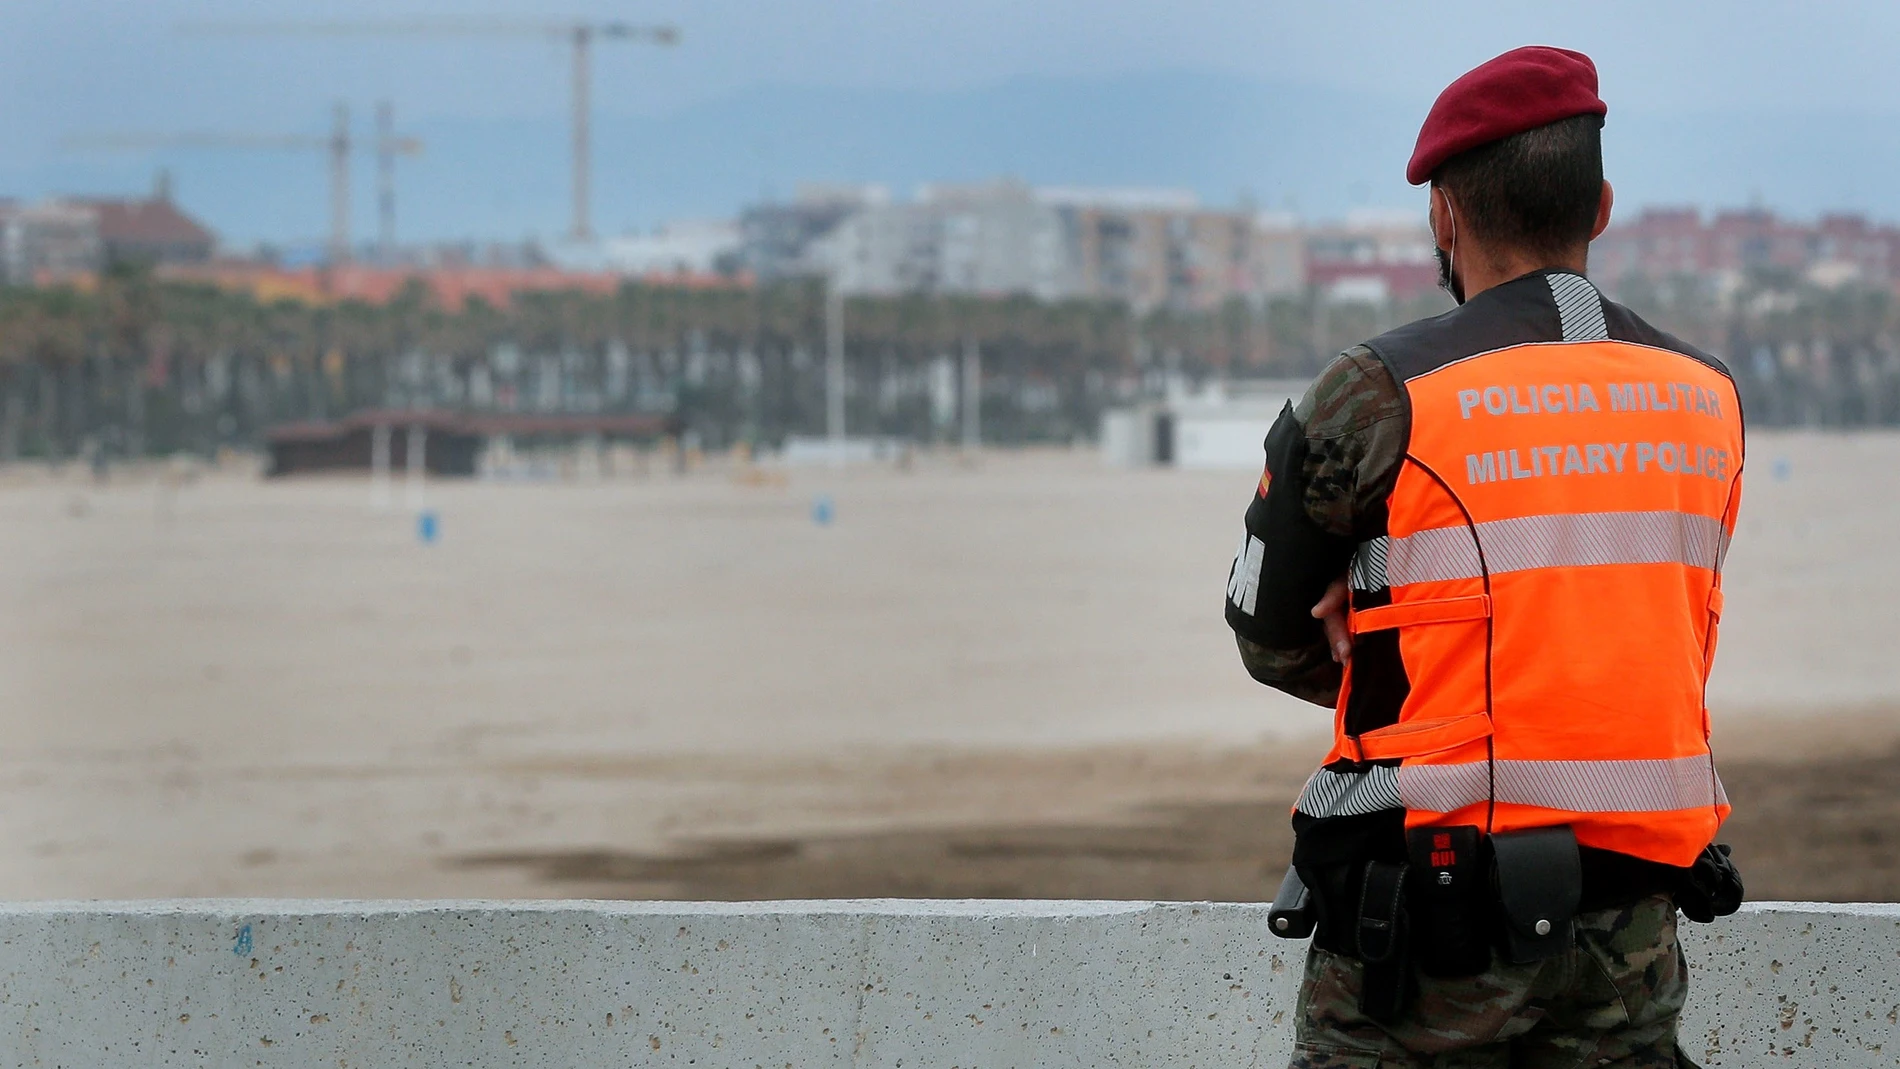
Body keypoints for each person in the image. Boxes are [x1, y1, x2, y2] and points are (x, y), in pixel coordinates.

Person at [1225, 46, 1745, 1068]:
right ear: (1598, 209)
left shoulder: (1379, 390)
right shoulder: (1706, 396)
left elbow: (1266, 631)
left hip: (1419, 934)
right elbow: (1628, 615)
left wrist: (1394, 638)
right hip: (1629, 937)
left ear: (1442, 217)